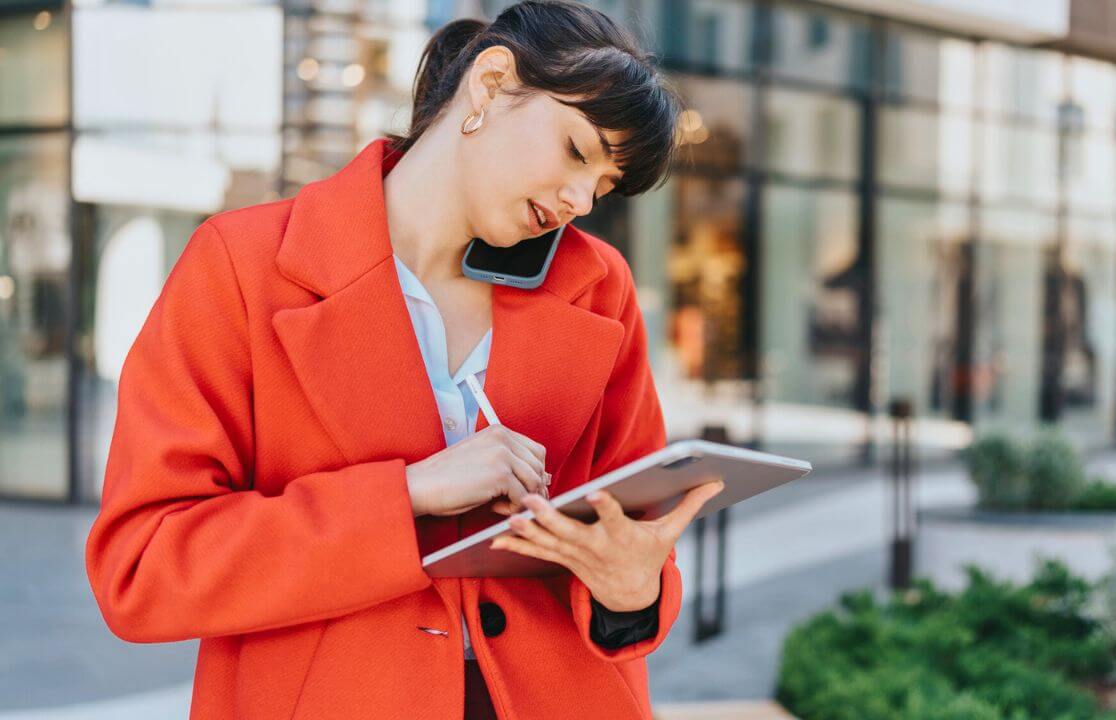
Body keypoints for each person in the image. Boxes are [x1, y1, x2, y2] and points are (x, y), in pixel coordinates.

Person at [84, 2, 723, 718]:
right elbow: (145, 568)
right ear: (490, 82)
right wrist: (406, 494)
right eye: (577, 151)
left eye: (605, 186)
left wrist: (633, 590)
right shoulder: (242, 268)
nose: (580, 200)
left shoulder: (599, 288)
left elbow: (632, 541)